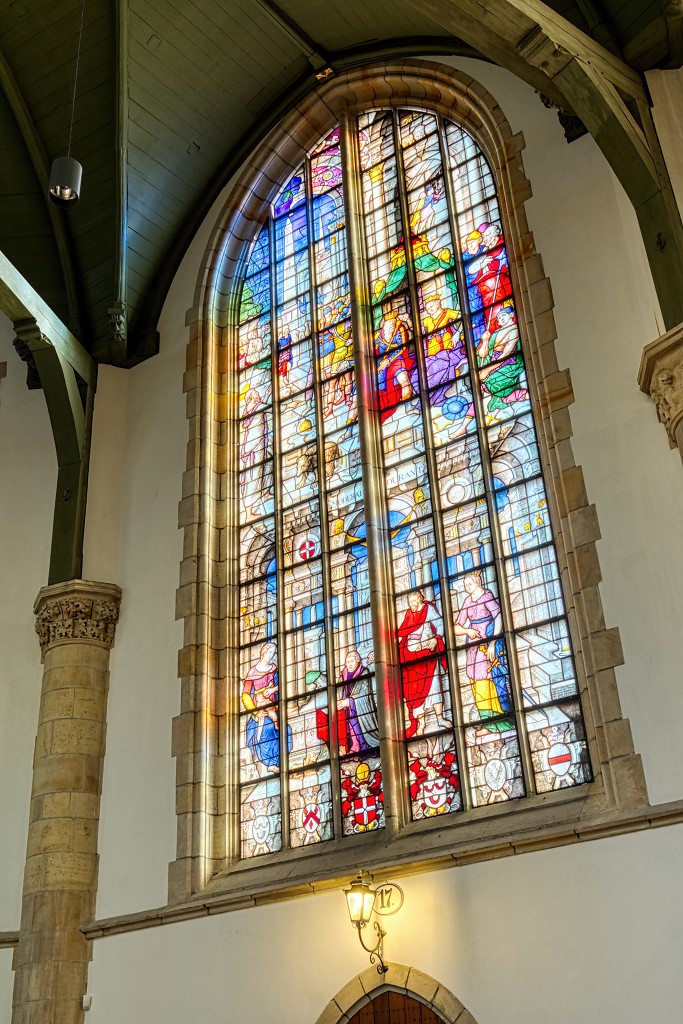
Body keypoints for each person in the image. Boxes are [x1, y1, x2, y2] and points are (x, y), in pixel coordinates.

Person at [453, 571, 512, 730]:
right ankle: (486, 721)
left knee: (487, 680)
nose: (466, 587)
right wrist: (467, 631)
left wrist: (492, 643)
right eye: (465, 585)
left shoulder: (487, 596)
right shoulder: (467, 601)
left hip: (487, 645)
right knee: (476, 681)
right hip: (472, 646)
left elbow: (498, 617)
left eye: (469, 584)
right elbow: (456, 627)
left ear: (477, 583)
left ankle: (497, 720)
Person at [397, 590, 450, 738]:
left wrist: (437, 638)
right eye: (410, 602)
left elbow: (439, 624)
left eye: (415, 600)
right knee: (414, 691)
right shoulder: (408, 615)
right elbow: (401, 633)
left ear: (421, 599)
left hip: (428, 654)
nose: (413, 604)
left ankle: (440, 718)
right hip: (411, 658)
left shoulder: (429, 610)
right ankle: (421, 723)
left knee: (434, 686)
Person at [477, 303, 527, 410]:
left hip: (507, 362)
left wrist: (487, 369)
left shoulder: (514, 330)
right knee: (477, 363)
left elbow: (506, 354)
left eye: (503, 315)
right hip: (492, 359)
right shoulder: (496, 332)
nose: (501, 318)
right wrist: (485, 340)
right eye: (499, 317)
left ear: (511, 315)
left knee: (492, 380)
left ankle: (511, 396)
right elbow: (482, 354)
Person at [375, 307, 414, 419]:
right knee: (377, 387)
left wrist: (389, 360)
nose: (392, 325)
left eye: (394, 322)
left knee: (404, 379)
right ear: (385, 324)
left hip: (396, 360)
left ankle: (408, 406)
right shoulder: (377, 335)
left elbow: (401, 348)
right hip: (381, 364)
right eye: (390, 323)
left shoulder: (398, 332)